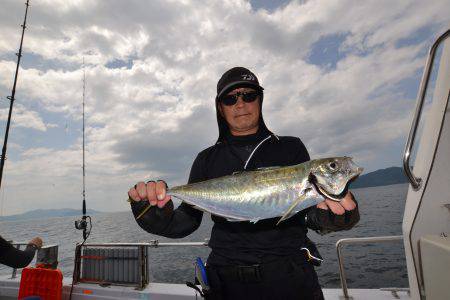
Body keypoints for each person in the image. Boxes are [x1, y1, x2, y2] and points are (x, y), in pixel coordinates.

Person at [128, 67, 360, 300]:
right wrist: (159, 219)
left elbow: (306, 213)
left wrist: (333, 218)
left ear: (260, 100)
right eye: (230, 99)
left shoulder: (290, 147)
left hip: (289, 277)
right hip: (227, 283)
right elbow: (187, 221)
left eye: (248, 95)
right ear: (220, 108)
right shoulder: (206, 159)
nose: (240, 104)